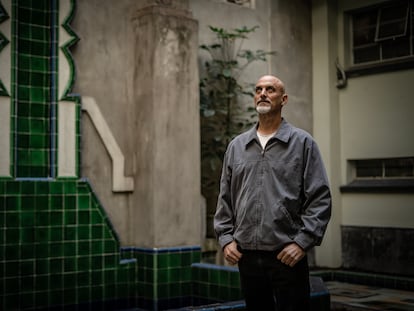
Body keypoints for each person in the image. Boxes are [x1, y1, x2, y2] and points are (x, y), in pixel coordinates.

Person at [214, 75, 332, 311]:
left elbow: (320, 198)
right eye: (258, 89)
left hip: (287, 255)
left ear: (284, 99)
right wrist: (226, 239)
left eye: (271, 89)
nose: (263, 93)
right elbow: (225, 197)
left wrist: (301, 243)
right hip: (246, 256)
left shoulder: (302, 143)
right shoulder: (237, 146)